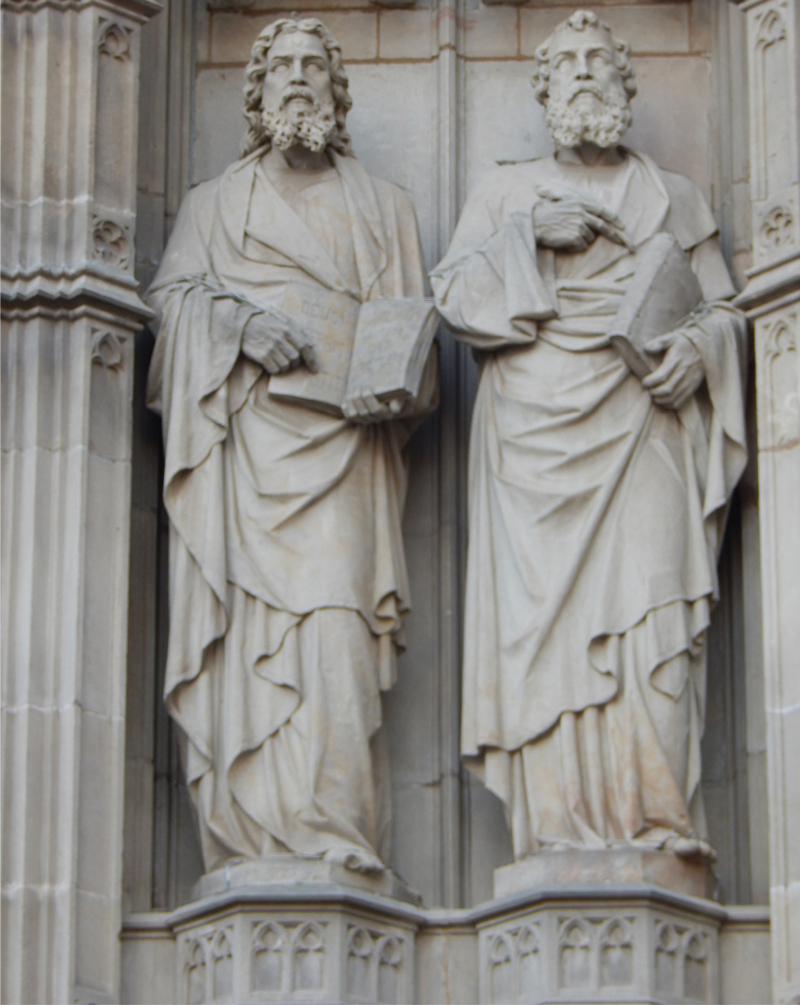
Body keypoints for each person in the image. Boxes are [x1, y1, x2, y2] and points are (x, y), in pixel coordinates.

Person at [431, 10, 747, 862]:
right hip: (533, 436)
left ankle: (653, 826)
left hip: (645, 419)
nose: (580, 73)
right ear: (543, 91)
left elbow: (726, 311)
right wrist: (528, 235)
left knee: (651, 616)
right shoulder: (506, 193)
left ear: (624, 82)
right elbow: (454, 300)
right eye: (563, 62)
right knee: (548, 639)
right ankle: (557, 837)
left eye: (596, 60)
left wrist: (700, 347)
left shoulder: (671, 194)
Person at [147, 16, 435, 874]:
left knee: (337, 643)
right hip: (245, 465)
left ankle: (335, 837)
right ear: (259, 92)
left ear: (337, 92)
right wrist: (236, 327)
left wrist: (394, 382)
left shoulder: (384, 208)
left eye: (316, 66)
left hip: (345, 457)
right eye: (283, 68)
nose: (300, 79)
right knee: (248, 646)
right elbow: (167, 313)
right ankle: (253, 842)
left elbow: (410, 336)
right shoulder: (213, 206)